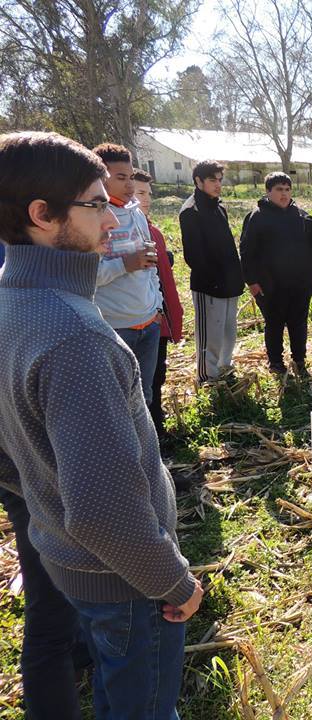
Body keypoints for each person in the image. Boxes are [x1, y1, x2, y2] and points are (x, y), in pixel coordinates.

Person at [0, 131, 202, 720]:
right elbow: (101, 510)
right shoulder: (76, 339)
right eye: (95, 204)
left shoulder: (15, 302)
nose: (113, 221)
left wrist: (40, 506)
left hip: (72, 562)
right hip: (128, 585)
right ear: (42, 215)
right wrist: (174, 583)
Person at [91, 143, 163, 405]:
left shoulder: (137, 213)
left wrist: (157, 306)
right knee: (117, 400)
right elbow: (86, 275)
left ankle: (147, 446)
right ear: (101, 177)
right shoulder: (90, 217)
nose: (130, 185)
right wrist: (124, 264)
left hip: (148, 322)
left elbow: (150, 262)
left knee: (144, 397)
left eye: (130, 176)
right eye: (120, 178)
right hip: (116, 327)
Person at [239, 171, 312, 377]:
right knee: (274, 324)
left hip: (300, 283)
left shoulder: (302, 217)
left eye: (287, 189)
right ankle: (276, 362)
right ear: (268, 192)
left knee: (298, 323)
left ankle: (299, 360)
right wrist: (251, 281)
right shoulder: (257, 218)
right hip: (270, 284)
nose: (284, 194)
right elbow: (246, 252)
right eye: (279, 189)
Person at [179, 159, 244, 382]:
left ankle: (225, 368)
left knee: (228, 331)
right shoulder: (190, 211)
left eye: (219, 180)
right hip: (209, 286)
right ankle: (207, 377)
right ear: (198, 181)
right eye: (212, 180)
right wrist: (213, 281)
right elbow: (194, 256)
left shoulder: (220, 207)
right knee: (211, 335)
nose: (217, 185)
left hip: (229, 283)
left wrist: (236, 276)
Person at [132, 169, 184, 439]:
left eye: (148, 194)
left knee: (156, 376)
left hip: (155, 317)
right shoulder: (116, 232)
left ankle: (157, 428)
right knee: (139, 383)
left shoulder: (153, 231)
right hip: (132, 322)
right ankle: (147, 436)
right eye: (140, 193)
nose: (147, 199)